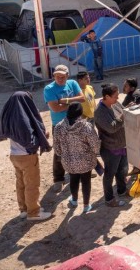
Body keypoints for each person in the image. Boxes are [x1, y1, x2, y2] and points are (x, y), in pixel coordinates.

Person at [0, 92, 52, 221]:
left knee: (20, 183)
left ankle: (24, 209)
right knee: (32, 184)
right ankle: (34, 212)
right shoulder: (23, 118)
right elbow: (29, 139)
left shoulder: (9, 114)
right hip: (27, 156)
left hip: (15, 155)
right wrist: (42, 137)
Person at [53, 103, 101, 214]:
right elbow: (95, 145)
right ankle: (86, 205)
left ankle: (74, 200)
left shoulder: (59, 127)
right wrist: (95, 153)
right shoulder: (86, 126)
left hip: (68, 162)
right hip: (86, 161)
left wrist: (63, 155)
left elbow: (57, 148)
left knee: (73, 180)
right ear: (80, 113)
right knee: (86, 181)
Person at [44, 64, 85, 192]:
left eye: (62, 77)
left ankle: (81, 171)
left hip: (76, 122)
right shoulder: (49, 89)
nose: (60, 79)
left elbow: (82, 98)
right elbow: (55, 108)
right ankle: (58, 178)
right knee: (59, 152)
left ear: (67, 76)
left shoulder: (72, 83)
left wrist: (64, 100)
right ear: (54, 76)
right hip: (59, 123)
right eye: (57, 77)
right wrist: (73, 104)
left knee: (79, 147)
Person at [94, 83, 127, 207]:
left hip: (121, 144)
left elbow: (123, 111)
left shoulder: (115, 104)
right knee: (109, 174)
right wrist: (122, 117)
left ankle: (122, 191)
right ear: (106, 97)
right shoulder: (99, 112)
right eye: (115, 96)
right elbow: (111, 128)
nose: (117, 99)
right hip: (110, 148)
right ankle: (109, 199)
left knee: (122, 171)